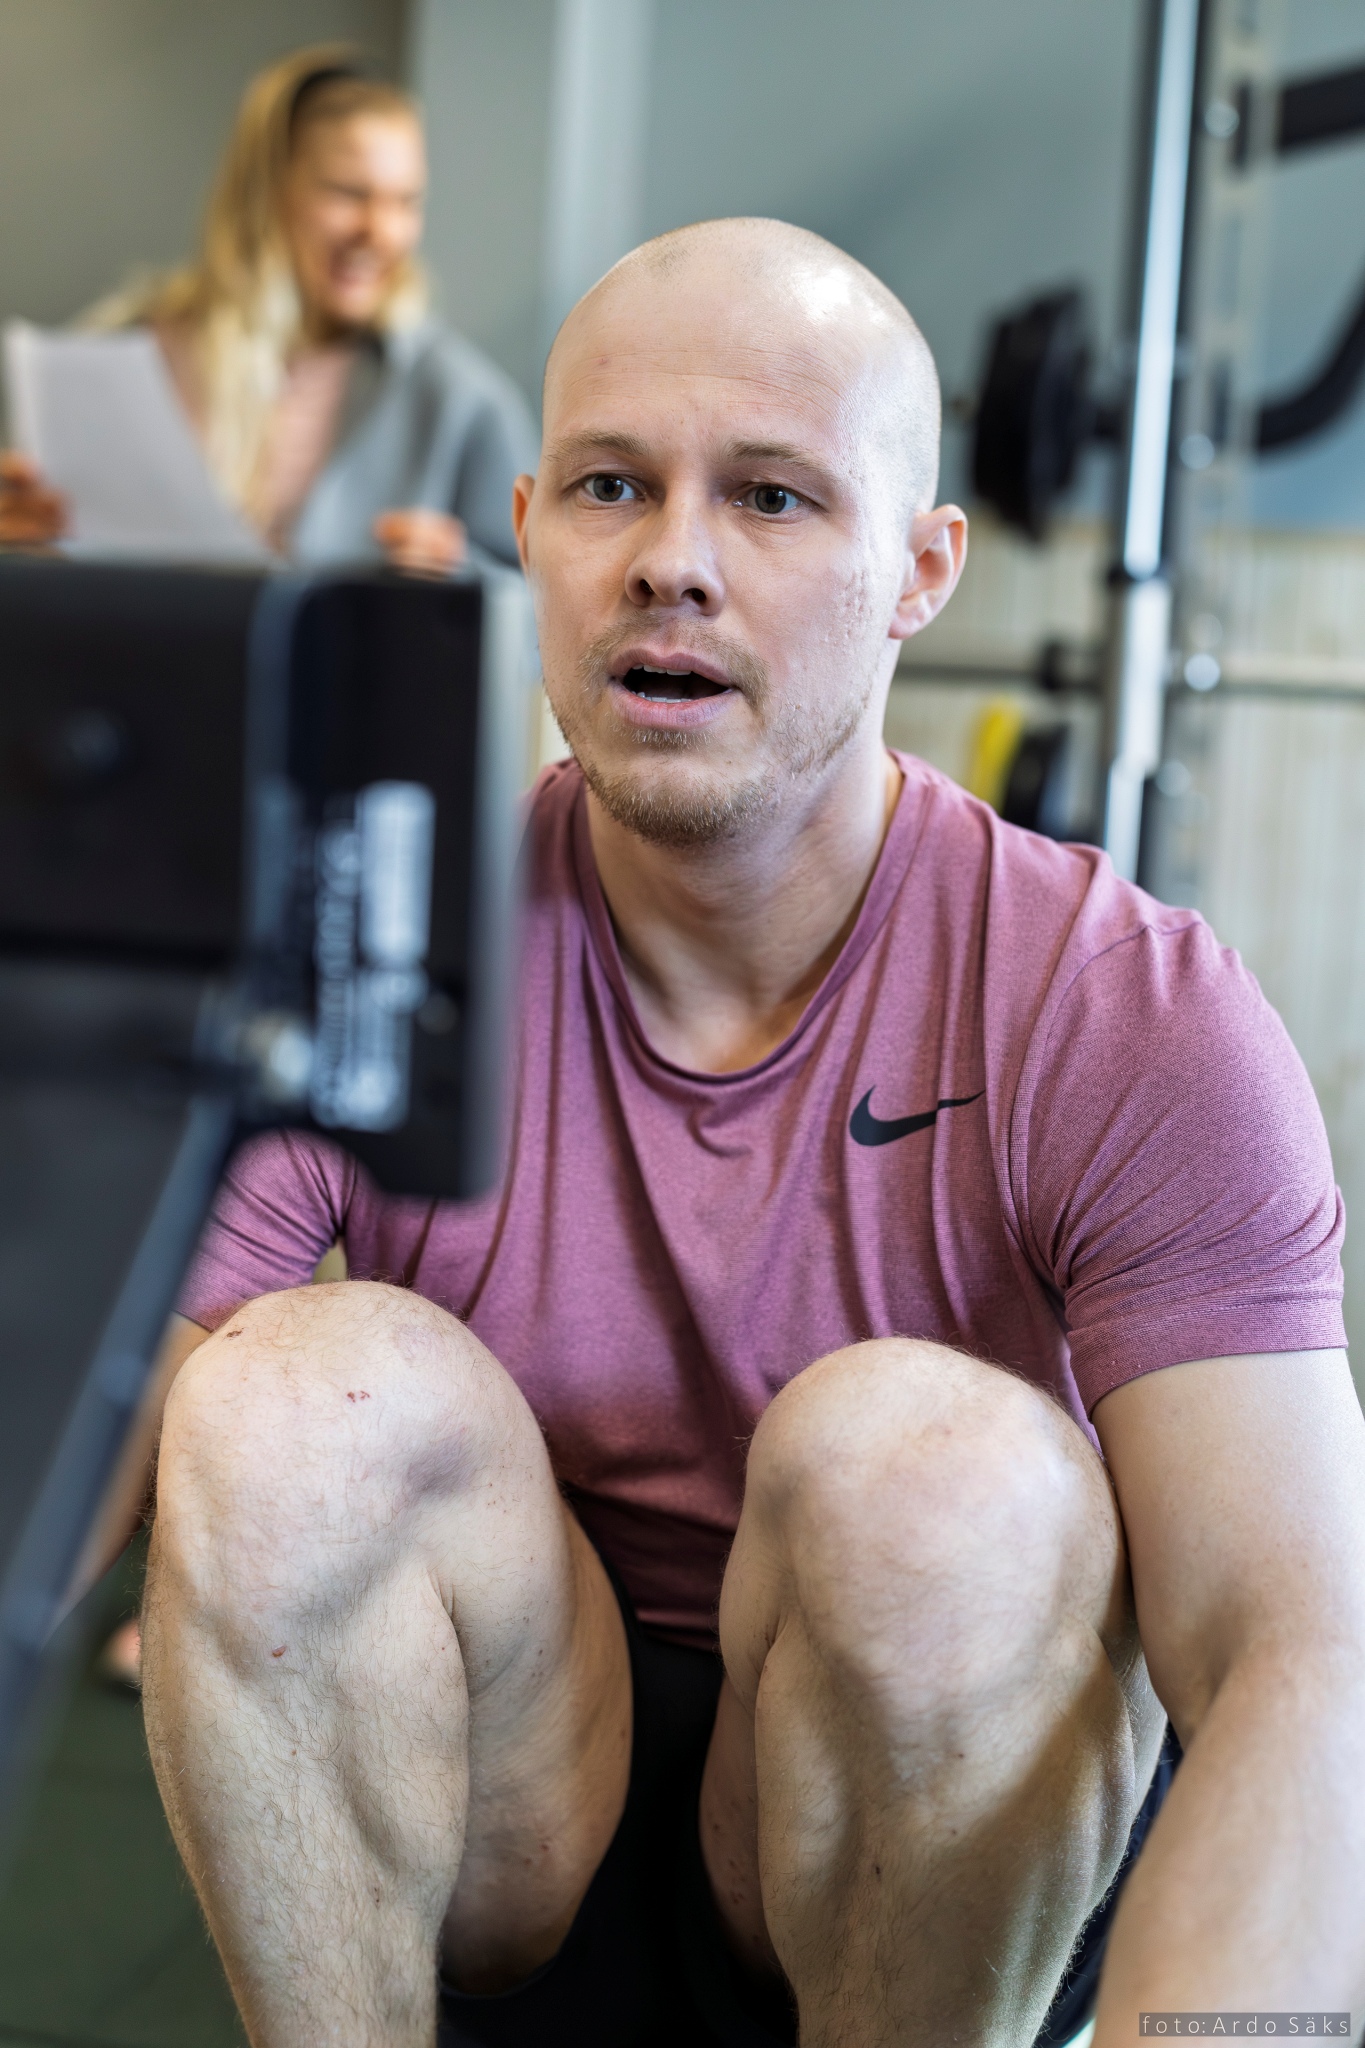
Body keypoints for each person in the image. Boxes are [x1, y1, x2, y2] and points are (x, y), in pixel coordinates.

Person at [138, 218, 1363, 2048]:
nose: (672, 561)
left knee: (935, 1476)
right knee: (281, 1403)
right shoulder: (364, 949)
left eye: (773, 498)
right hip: (513, 1792)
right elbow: (70, 1494)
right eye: (611, 487)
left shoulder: (1124, 1010)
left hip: (926, 1818)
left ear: (920, 569)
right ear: (530, 526)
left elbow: (1303, 1661)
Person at [0, 46, 535, 573]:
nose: (381, 232)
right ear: (266, 192)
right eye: (348, 193)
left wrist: (464, 577)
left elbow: (543, 600)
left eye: (406, 201)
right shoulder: (126, 355)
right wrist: (19, 542)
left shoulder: (458, 397)